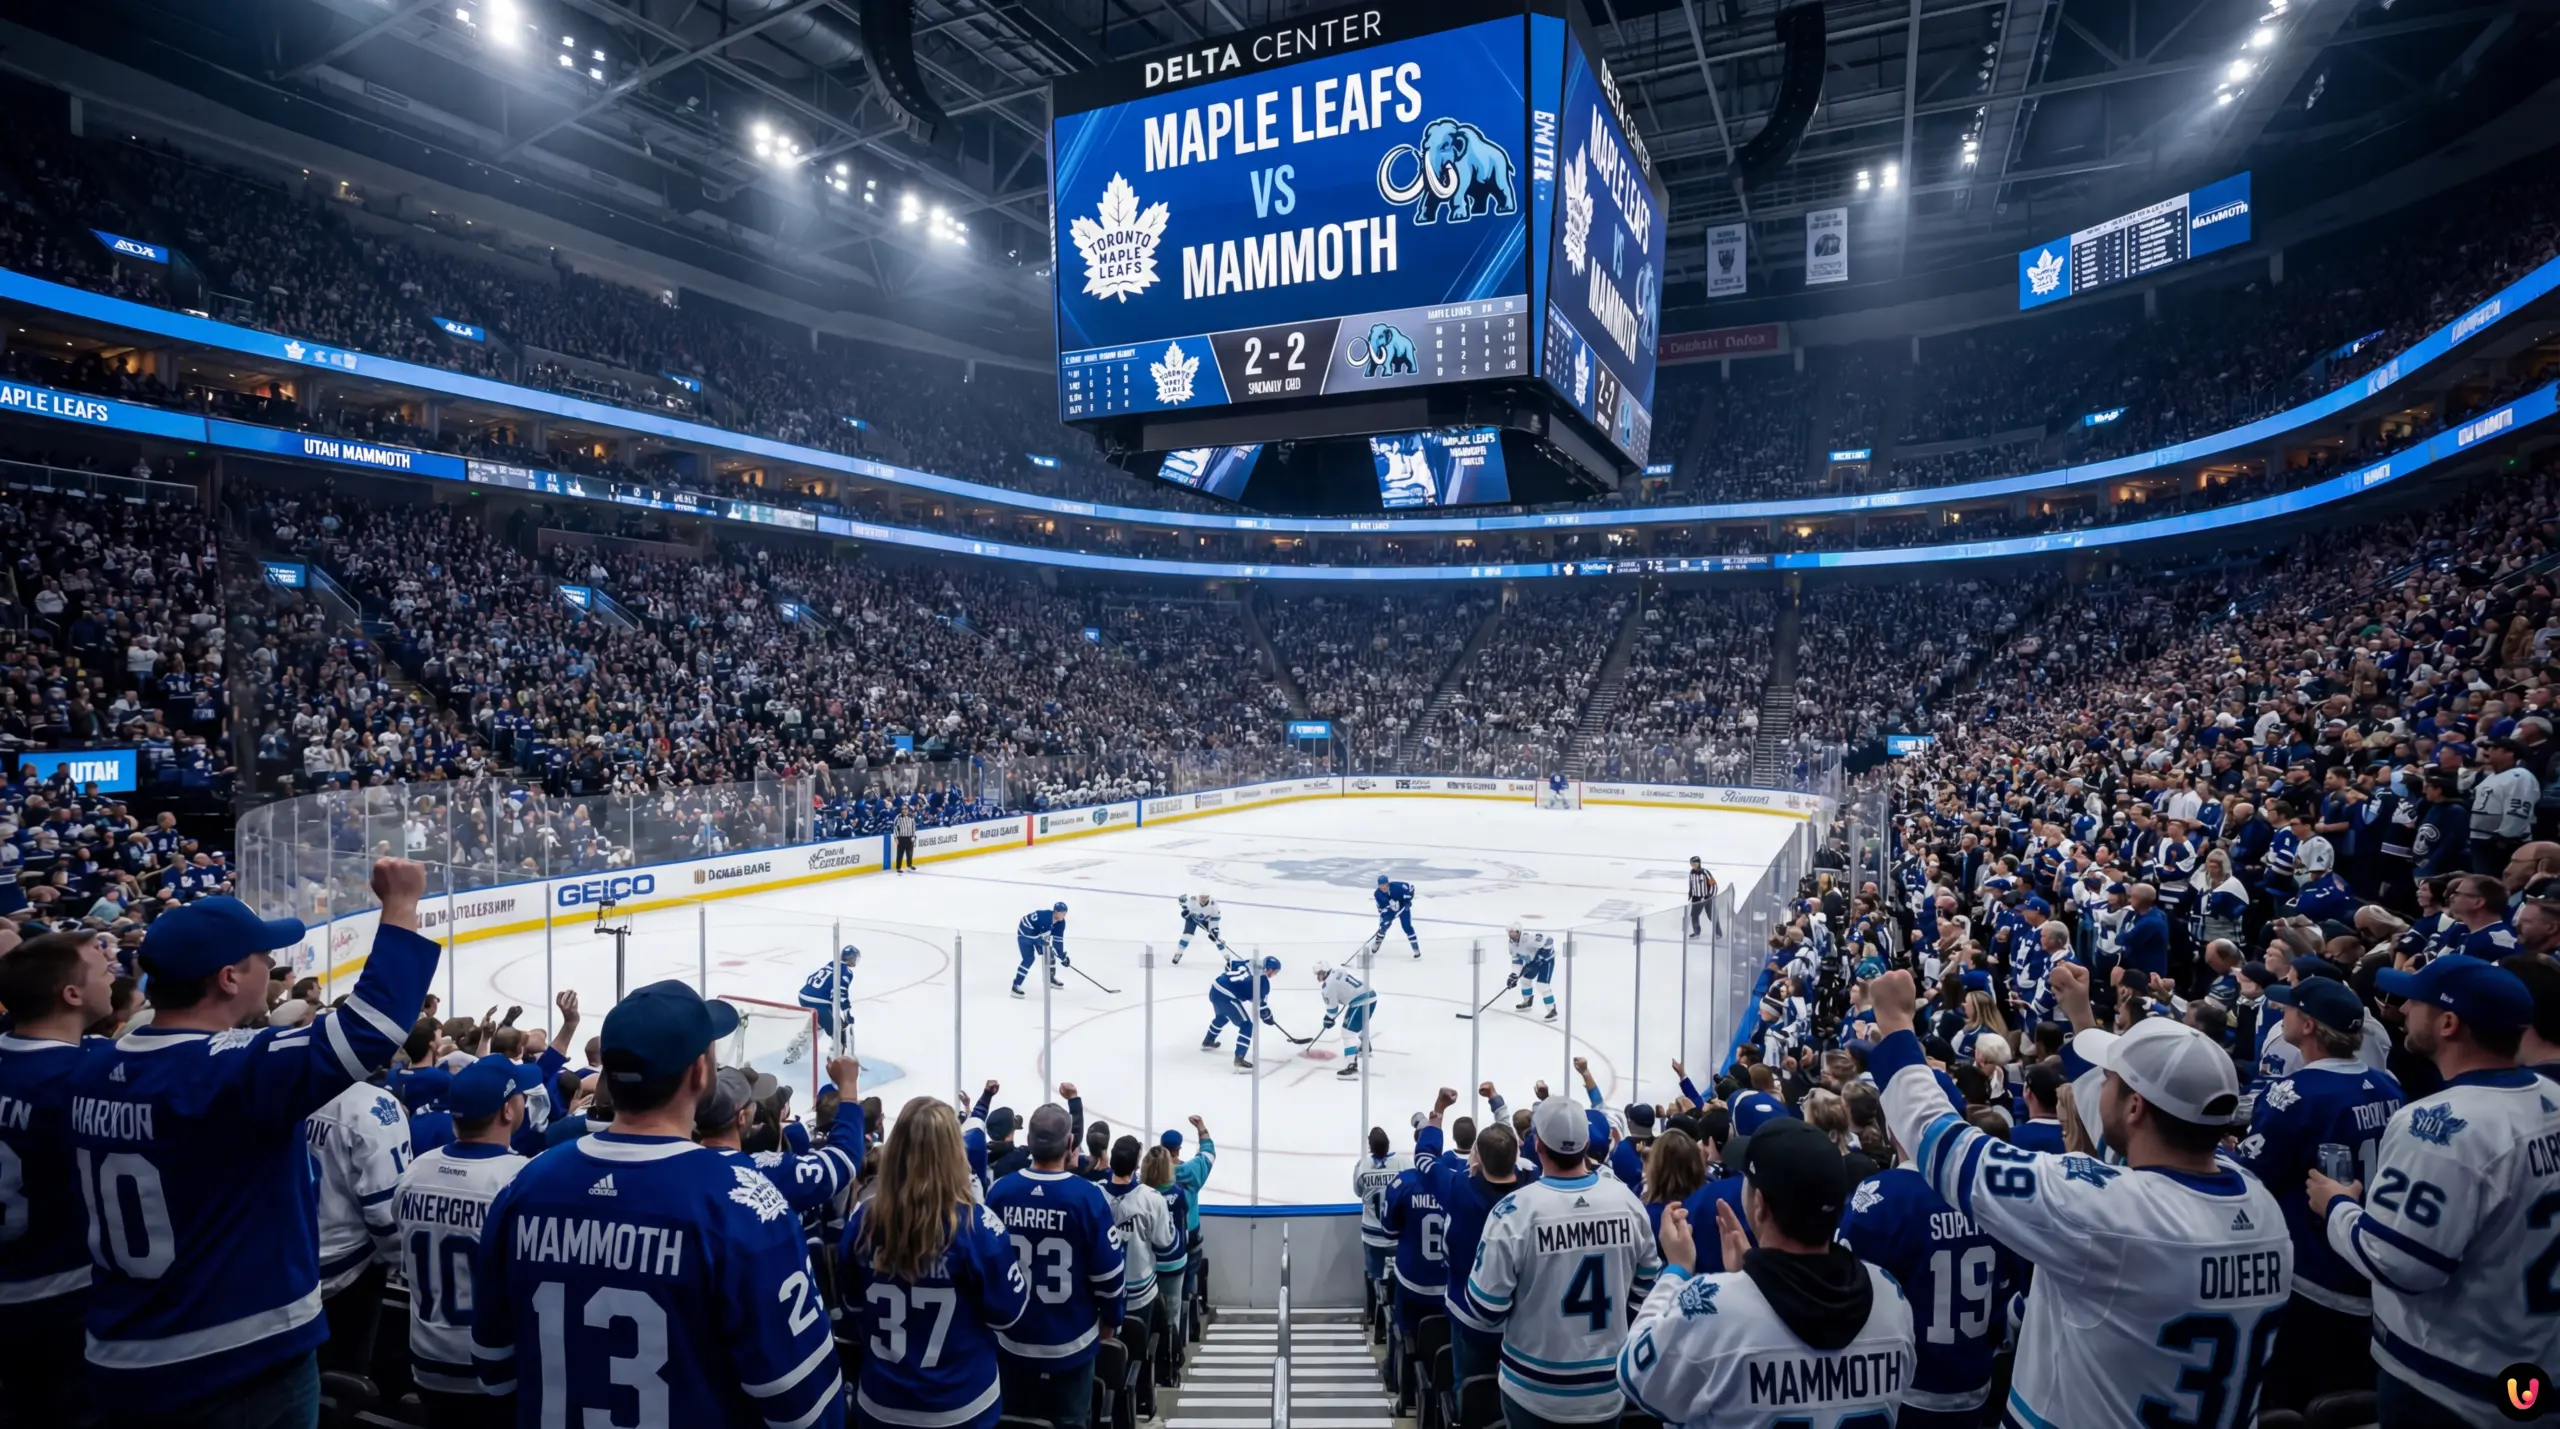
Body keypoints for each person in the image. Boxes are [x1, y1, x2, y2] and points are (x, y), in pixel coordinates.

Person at [68, 863, 440, 1426]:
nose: (272, 966)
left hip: (119, 1347)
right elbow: (370, 1030)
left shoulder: (90, 1067)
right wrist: (402, 906)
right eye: (262, 958)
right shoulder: (226, 1072)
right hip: (235, 1356)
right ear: (228, 978)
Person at [1863, 963, 2292, 1426]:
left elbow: (1944, 1146)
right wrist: (2082, 1019)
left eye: (2110, 1076)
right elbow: (2134, 1143)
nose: (2099, 1080)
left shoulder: (2099, 1213)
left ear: (2134, 1106)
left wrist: (1897, 1027)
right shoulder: (2262, 1205)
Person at [471, 981, 844, 1429]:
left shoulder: (525, 1186)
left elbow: (493, 1367)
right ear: (700, 1075)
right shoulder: (742, 1203)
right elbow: (806, 1404)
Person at [2309, 954, 2560, 1427]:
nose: (2403, 1010)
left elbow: (2401, 1264)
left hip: (2452, 1383)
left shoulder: (2441, 1125)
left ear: (2448, 1023)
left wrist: (2337, 1206)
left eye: (2416, 1002)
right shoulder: (2551, 1098)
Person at [1616, 1120, 1915, 1429]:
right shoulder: (1890, 1294)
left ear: (1759, 1206)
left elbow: (1635, 1376)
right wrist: (1750, 1278)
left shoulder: (1710, 1305)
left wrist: (1676, 1271)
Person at [2233, 976, 2404, 1412]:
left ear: (2308, 1025)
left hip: (2311, 1274)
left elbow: (2254, 1178)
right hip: (2370, 1263)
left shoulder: (2295, 1092)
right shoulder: (2388, 1085)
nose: (2282, 1013)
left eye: (2290, 1009)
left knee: (2295, 1401)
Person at [1458, 1095, 1662, 1428]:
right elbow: (1647, 1291)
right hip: (1608, 1388)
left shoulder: (1514, 1212)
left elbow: (1485, 1309)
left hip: (1533, 1391)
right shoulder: (1627, 1201)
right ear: (1586, 1144)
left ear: (1537, 1145)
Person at [843, 1098, 1030, 1428]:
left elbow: (853, 1305)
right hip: (962, 1407)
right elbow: (1009, 1315)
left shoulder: (862, 1220)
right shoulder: (979, 1227)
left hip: (881, 1403)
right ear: (954, 1154)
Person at [0, 929, 116, 1426]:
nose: (115, 969)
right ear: (71, 994)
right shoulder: (83, 1079)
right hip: (61, 1296)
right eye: (102, 965)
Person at [1833, 1110, 2004, 1428]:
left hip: (1907, 1388)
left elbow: (1842, 1292)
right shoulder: (1987, 1189)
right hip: (1977, 1380)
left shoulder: (1884, 1195)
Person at [396, 1055, 539, 1429]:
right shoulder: (521, 1178)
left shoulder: (416, 1168)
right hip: (491, 1369)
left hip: (425, 1360)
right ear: (508, 1110)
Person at [985, 1103, 1126, 1428]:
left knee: (1015, 1421)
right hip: (1070, 1346)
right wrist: (1112, 1319)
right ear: (1069, 1143)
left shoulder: (1000, 1192)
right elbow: (1109, 1274)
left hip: (1011, 1343)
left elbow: (987, 1267)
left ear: (1029, 1142)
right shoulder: (1088, 1196)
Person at [308, 1067, 412, 1374]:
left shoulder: (281, 1090)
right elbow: (384, 1213)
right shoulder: (372, 1104)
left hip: (288, 1264)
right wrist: (399, 1260)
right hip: (347, 1269)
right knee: (343, 1384)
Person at [1417, 1089, 1520, 1386]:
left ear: (1479, 1161)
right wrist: (1498, 1103)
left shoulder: (1459, 1188)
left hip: (1469, 1314)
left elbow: (1424, 1160)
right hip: (1519, 1320)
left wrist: (1437, 1112)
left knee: (1468, 1383)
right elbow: (1514, 1145)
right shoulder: (1532, 1185)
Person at [1099, 1135, 1179, 1402]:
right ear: (1136, 1164)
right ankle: (1139, 1398)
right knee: (1137, 1348)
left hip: (1100, 1292)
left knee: (1106, 1352)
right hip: (1139, 1291)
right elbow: (1166, 1244)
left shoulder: (1094, 1194)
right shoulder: (1152, 1199)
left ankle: (1107, 1401)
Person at [1353, 1125, 1412, 1319]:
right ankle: (1396, 1310)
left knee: (1374, 1274)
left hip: (1372, 1234)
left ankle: (1373, 1314)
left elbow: (1358, 1191)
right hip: (1396, 1234)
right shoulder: (1403, 1163)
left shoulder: (1363, 1166)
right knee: (1400, 1273)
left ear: (1370, 1146)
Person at [1203, 952, 1280, 1072]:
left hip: (1215, 988)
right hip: (1227, 996)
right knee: (1246, 1025)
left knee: (1222, 1016)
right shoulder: (1264, 983)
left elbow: (1230, 964)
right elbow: (1262, 1008)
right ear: (1269, 969)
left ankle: (1209, 1040)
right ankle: (1239, 1058)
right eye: (1275, 972)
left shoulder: (1249, 963)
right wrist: (1268, 1017)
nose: (1274, 974)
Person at [1316, 958, 1379, 1079]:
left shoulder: (1328, 986)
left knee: (1347, 1032)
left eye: (1319, 974)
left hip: (1361, 1001)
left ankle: (1352, 1065)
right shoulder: (1337, 972)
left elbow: (1332, 1011)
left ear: (1324, 972)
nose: (1318, 977)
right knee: (1356, 1023)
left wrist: (1328, 1020)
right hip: (1371, 995)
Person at [797, 944, 859, 1038]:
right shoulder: (847, 972)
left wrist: (812, 991)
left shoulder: (832, 963)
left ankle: (797, 1045)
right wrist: (848, 1016)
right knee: (839, 1032)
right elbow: (840, 994)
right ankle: (836, 1052)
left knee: (822, 1020)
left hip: (803, 995)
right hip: (818, 1002)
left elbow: (810, 978)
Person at [1012, 901, 1070, 998]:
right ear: (1055, 911)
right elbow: (1028, 929)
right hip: (1024, 934)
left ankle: (1050, 978)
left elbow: (1058, 943)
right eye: (1062, 913)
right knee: (1029, 959)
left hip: (1036, 936)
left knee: (1049, 953)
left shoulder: (1061, 924)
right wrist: (1043, 943)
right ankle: (1016, 985)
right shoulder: (1045, 917)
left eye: (1065, 913)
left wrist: (1063, 957)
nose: (1064, 915)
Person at [1507, 923, 1559, 1021]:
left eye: (1514, 932)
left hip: (1546, 961)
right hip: (1532, 962)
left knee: (1542, 985)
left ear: (1519, 932)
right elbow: (1517, 961)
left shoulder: (1528, 938)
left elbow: (1549, 941)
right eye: (1510, 933)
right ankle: (1527, 1002)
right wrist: (1514, 976)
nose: (1512, 935)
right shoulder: (1511, 944)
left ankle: (1552, 1010)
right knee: (1524, 979)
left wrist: (1540, 957)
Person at [1174, 891, 1226, 964]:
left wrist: (1214, 930)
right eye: (1202, 897)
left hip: (1207, 920)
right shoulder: (1192, 900)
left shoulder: (1213, 904)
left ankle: (1227, 957)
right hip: (1192, 919)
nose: (1204, 899)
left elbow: (1215, 917)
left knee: (1217, 939)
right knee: (1187, 936)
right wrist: (1187, 913)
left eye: (1206, 897)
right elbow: (1185, 911)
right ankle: (1179, 953)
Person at [1375, 875, 1421, 958]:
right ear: (1378, 885)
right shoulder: (1377, 894)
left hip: (1403, 908)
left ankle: (1416, 949)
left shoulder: (1397, 886)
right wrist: (1385, 920)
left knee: (1407, 927)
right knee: (1383, 927)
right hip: (1390, 911)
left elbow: (1411, 888)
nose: (1383, 887)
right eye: (1381, 885)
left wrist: (1407, 901)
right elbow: (1381, 909)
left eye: (1384, 884)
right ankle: (1378, 941)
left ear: (1388, 883)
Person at [1687, 856, 1718, 936]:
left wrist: (1710, 896)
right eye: (1691, 864)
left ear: (1699, 863)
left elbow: (1714, 885)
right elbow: (1691, 884)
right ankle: (1696, 932)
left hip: (1707, 898)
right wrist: (1690, 893)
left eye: (1694, 864)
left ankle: (1718, 933)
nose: (1693, 865)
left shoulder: (1705, 872)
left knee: (1711, 916)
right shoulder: (1691, 873)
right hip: (1696, 899)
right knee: (1694, 915)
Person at [893, 801, 918, 872]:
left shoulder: (911, 817)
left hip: (910, 837)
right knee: (900, 854)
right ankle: (898, 867)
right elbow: (895, 828)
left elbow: (914, 827)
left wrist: (914, 836)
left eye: (905, 809)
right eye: (903, 809)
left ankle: (909, 865)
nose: (904, 810)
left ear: (908, 809)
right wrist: (896, 837)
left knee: (910, 853)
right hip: (901, 838)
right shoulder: (898, 817)